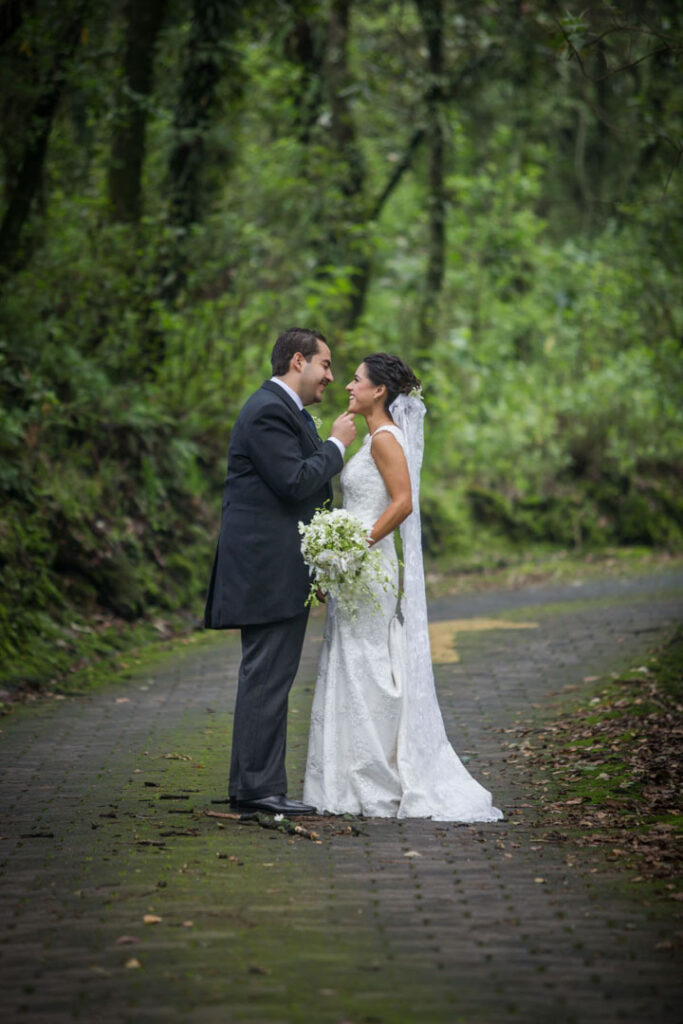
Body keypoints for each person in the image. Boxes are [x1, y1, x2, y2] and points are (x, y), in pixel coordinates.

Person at [303, 354, 503, 821]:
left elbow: (403, 503)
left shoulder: (385, 439)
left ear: (379, 391)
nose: (347, 386)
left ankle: (375, 778)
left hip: (367, 567)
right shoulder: (373, 438)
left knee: (367, 664)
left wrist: (353, 547)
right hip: (356, 569)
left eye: (356, 380)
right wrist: (332, 560)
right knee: (351, 661)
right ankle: (348, 778)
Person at [204, 327, 356, 816]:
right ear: (298, 361)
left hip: (276, 570)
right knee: (267, 679)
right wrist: (335, 446)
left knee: (268, 678)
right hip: (266, 572)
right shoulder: (268, 410)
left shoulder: (284, 411)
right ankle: (256, 791)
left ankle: (254, 785)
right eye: (325, 364)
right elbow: (294, 481)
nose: (330, 376)